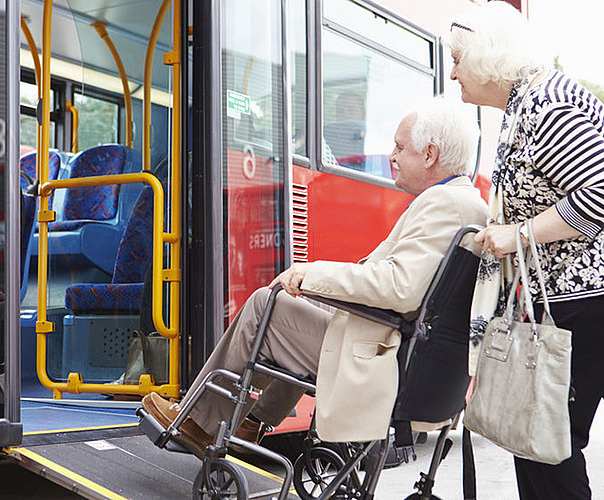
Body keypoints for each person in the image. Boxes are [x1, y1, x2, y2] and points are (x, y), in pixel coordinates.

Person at [142, 97, 487, 458]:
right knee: (294, 308)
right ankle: (250, 423)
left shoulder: (444, 203)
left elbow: (399, 288)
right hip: (409, 356)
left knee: (267, 305)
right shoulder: (466, 203)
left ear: (430, 154)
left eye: (400, 147)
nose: (392, 156)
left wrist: (312, 273)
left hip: (387, 362)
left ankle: (199, 424)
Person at [449, 2, 604, 499]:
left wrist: (519, 235)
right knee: (531, 440)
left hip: (579, 304)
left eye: (458, 59)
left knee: (551, 445)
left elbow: (597, 197)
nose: (452, 72)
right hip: (555, 303)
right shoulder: (524, 104)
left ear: (487, 57)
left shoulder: (550, 105)